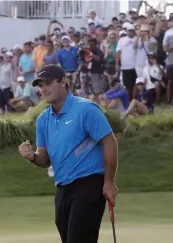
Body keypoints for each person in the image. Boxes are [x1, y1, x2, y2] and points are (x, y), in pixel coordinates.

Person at [18, 64, 118, 243]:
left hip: (89, 184)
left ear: (63, 81)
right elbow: (44, 159)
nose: (43, 89)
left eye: (48, 83)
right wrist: (32, 156)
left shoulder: (85, 109)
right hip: (62, 188)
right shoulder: (43, 120)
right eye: (40, 86)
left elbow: (109, 141)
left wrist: (109, 182)